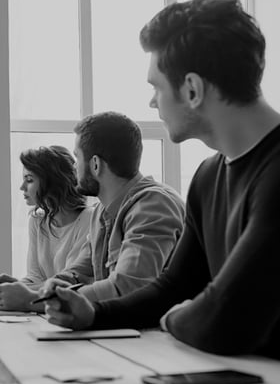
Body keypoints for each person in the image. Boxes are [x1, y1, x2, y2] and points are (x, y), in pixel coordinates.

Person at [42, 0, 280, 373]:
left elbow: (226, 322)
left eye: (157, 87)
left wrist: (177, 318)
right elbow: (173, 289)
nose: (152, 102)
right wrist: (92, 313)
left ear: (192, 89)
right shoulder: (209, 176)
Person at [49, 111, 185, 302]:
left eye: (77, 158)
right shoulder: (101, 211)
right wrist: (48, 289)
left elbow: (129, 287)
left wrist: (51, 299)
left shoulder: (154, 205)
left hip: (156, 330)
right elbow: (79, 270)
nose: (74, 169)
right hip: (123, 327)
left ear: (95, 164)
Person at [0, 146, 93, 312]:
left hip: (69, 309)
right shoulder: (38, 220)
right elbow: (35, 276)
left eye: (29, 180)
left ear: (52, 182)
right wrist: (11, 287)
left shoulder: (90, 219)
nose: (22, 187)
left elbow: (70, 284)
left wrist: (21, 291)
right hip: (45, 309)